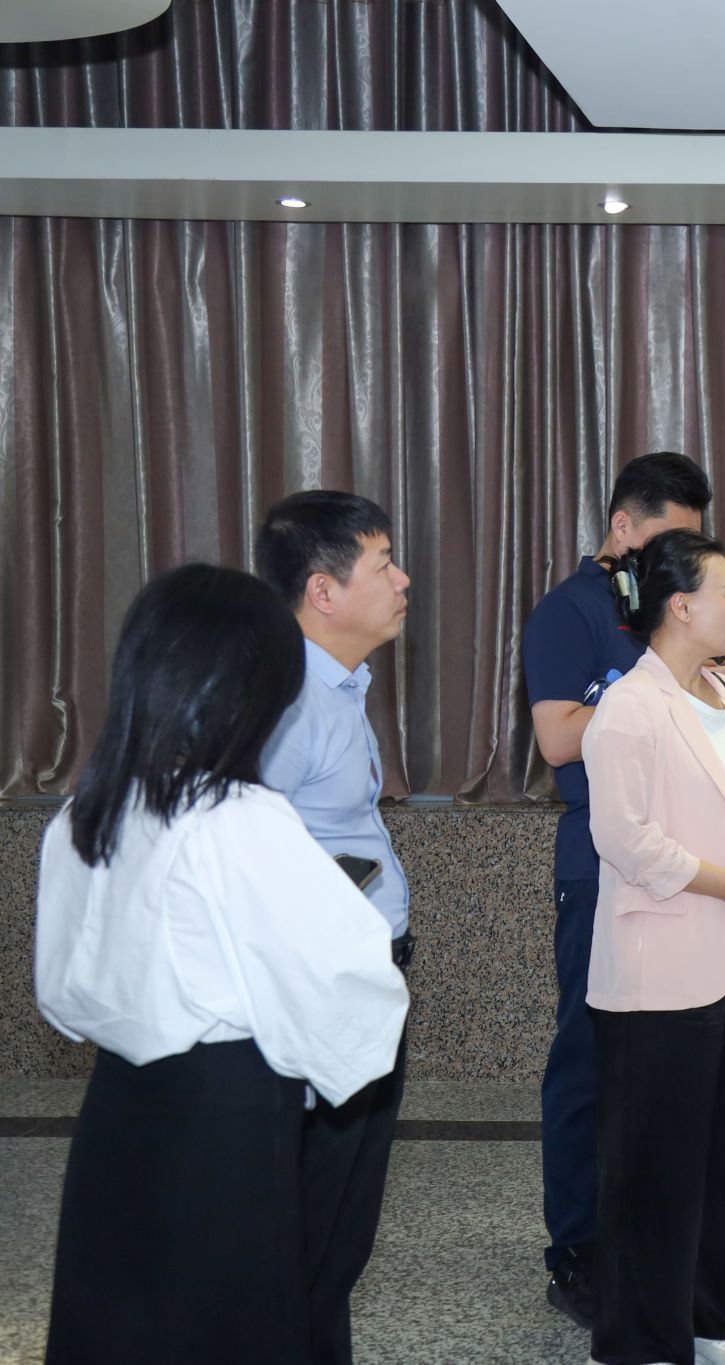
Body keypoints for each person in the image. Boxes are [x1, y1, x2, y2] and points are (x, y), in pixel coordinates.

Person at [36, 565, 408, 1364]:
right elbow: (343, 985)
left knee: (120, 1311)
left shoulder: (86, 809)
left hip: (118, 1104)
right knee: (227, 1316)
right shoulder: (238, 817)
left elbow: (60, 991)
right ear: (246, 692)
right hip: (225, 1114)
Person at [523, 452, 725, 1326]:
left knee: (690, 1084)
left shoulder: (687, 654)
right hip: (606, 862)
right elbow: (559, 739)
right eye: (667, 542)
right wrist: (669, 689)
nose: (677, 563)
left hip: (702, 869)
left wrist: (708, 690)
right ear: (622, 527)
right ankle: (581, 1249)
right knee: (595, 1060)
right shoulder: (571, 611)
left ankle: (674, 1263)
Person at [581, 529, 725, 1365]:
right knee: (655, 1162)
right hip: (662, 959)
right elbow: (625, 839)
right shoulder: (629, 707)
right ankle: (640, 1342)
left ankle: (716, 1323)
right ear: (680, 606)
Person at [255, 490, 415, 1365]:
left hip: (363, 974)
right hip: (318, 990)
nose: (403, 580)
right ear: (322, 590)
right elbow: (245, 857)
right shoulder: (286, 702)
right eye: (383, 564)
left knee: (341, 1228)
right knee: (311, 1225)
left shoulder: (341, 685)